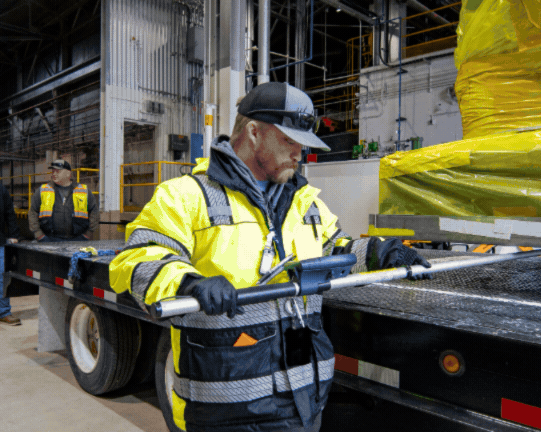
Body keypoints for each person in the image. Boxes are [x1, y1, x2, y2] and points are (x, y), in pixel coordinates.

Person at [109, 82, 431, 432]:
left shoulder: (304, 202)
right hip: (227, 410)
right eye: (290, 142)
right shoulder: (187, 196)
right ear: (253, 132)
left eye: (303, 145)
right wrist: (188, 282)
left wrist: (379, 251)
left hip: (303, 403)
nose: (300, 154)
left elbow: (335, 250)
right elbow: (138, 260)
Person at [29, 159, 99, 242]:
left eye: (58, 171)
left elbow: (94, 211)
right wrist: (39, 234)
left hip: (78, 239)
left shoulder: (83, 190)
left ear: (68, 173)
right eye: (53, 171)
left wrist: (88, 234)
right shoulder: (43, 190)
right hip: (49, 239)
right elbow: (33, 212)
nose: (54, 174)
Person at [0, 183, 21, 325]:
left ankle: (4, 311)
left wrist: (14, 235)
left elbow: (10, 213)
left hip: (0, 241)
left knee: (3, 276)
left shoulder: (1, 190)